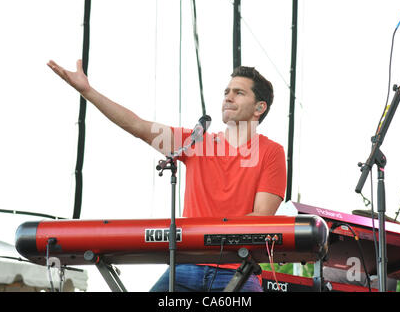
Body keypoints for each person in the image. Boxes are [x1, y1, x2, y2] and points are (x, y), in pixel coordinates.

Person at [47, 59, 287, 291]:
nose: (228, 97)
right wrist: (88, 91)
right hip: (185, 266)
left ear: (259, 108)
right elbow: (137, 126)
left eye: (239, 92)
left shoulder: (271, 152)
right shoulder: (197, 141)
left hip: (237, 269)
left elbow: (261, 220)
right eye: (227, 91)